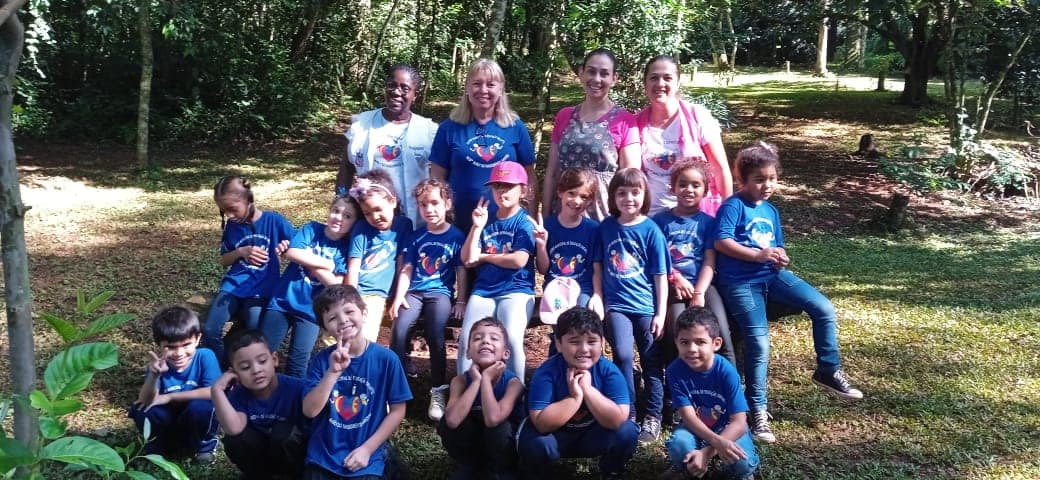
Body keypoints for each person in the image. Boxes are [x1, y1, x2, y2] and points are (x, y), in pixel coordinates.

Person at [714, 142, 863, 444]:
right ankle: (757, 410)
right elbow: (721, 241)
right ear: (743, 179)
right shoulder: (733, 206)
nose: (767, 185)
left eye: (772, 178)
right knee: (759, 343)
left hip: (773, 276)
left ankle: (828, 369)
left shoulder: (770, 210)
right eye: (759, 179)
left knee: (823, 308)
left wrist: (780, 255)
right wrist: (757, 255)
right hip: (741, 283)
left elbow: (776, 244)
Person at [302, 284, 412, 479]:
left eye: (349, 311)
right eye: (332, 318)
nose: (343, 320)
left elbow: (398, 410)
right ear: (325, 330)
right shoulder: (321, 361)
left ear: (364, 313)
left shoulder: (387, 359)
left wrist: (368, 449)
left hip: (366, 456)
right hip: (323, 456)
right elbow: (309, 411)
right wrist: (332, 373)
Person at [516, 307, 639, 480]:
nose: (584, 349)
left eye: (592, 341)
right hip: (556, 437)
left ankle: (612, 470)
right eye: (574, 342)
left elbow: (618, 419)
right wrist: (574, 398)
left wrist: (588, 390)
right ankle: (537, 473)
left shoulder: (609, 371)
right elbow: (541, 424)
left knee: (627, 431)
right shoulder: (546, 372)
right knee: (535, 442)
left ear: (602, 343)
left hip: (593, 436)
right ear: (559, 344)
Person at [599, 168, 669, 444]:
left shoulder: (651, 230)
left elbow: (660, 276)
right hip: (616, 306)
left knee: (651, 361)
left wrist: (661, 313)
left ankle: (653, 414)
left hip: (645, 308)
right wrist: (599, 299)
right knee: (624, 357)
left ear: (644, 195)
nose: (629, 198)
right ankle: (627, 412)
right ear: (613, 196)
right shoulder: (606, 228)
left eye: (635, 192)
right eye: (622, 193)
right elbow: (597, 267)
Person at [389, 178, 468, 421]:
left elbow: (461, 270)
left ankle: (438, 389)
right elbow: (407, 269)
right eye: (423, 204)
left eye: (434, 203)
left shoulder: (456, 235)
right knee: (399, 330)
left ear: (447, 204)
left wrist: (461, 300)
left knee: (435, 334)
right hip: (414, 292)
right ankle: (396, 390)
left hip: (440, 294)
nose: (429, 209)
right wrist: (398, 297)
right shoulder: (416, 236)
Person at [430, 58, 537, 233]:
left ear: (501, 89)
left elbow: (529, 177)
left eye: (491, 84)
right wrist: (443, 214)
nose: (483, 90)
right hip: (459, 222)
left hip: (506, 225)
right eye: (477, 84)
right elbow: (437, 176)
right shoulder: (448, 128)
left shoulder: (516, 128)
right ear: (467, 88)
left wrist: (531, 220)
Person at [260, 194, 359, 377]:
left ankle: (295, 395)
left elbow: (334, 284)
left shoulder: (345, 249)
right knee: (262, 351)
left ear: (354, 223)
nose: (339, 217)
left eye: (347, 216)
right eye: (336, 211)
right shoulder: (312, 229)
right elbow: (292, 253)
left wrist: (309, 261)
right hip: (282, 301)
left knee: (298, 362)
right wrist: (328, 264)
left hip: (311, 312)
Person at [203, 175, 295, 365]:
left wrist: (287, 246)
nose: (229, 216)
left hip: (262, 290)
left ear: (248, 200)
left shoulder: (274, 221)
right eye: (224, 211)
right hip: (232, 288)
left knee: (254, 331)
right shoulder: (232, 226)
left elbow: (299, 243)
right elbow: (223, 260)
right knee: (210, 330)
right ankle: (220, 370)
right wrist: (241, 252)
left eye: (232, 209)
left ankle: (241, 368)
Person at [651, 160, 735, 366]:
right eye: (683, 184)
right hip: (672, 287)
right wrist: (675, 278)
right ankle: (675, 384)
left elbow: (709, 260)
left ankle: (730, 381)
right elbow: (656, 259)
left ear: (705, 191)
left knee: (720, 331)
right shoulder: (659, 221)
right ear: (673, 187)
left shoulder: (708, 222)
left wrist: (699, 293)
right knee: (675, 331)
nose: (689, 189)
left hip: (703, 286)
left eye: (696, 185)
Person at [541, 48, 640, 221]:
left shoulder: (625, 120)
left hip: (604, 219)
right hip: (563, 217)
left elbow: (630, 179)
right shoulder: (564, 115)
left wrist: (625, 223)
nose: (597, 79)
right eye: (591, 71)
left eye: (604, 74)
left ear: (614, 78)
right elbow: (552, 172)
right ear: (581, 73)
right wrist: (545, 215)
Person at [458, 161, 536, 380]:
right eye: (497, 186)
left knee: (511, 339)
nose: (502, 191)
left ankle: (515, 393)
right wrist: (476, 227)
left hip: (516, 291)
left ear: (523, 190)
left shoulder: (524, 222)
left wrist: (484, 257)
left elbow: (519, 260)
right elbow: (467, 259)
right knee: (467, 340)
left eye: (509, 186)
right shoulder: (487, 220)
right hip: (484, 291)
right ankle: (466, 392)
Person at [337, 64, 438, 227]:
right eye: (392, 85)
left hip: (415, 222)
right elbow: (347, 167)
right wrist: (341, 200)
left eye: (405, 88)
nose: (396, 92)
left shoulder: (429, 131)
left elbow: (439, 177)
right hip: (370, 219)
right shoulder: (362, 124)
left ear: (415, 95)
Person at [665, 307, 759, 480]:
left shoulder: (726, 371)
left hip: (727, 428)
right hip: (696, 428)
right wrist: (716, 443)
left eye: (700, 342)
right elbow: (688, 417)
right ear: (676, 342)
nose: (692, 349)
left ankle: (716, 466)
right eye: (684, 342)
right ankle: (694, 468)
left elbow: (739, 423)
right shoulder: (674, 371)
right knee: (679, 446)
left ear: (716, 343)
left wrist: (707, 452)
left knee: (743, 463)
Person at [637, 55, 733, 217]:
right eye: (654, 78)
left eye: (667, 78)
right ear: (645, 83)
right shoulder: (636, 123)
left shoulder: (697, 116)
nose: (660, 83)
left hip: (696, 218)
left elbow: (720, 168)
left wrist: (728, 215)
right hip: (651, 219)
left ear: (678, 82)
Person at [211, 329, 310, 479]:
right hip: (262, 457)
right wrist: (217, 390)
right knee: (237, 440)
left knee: (285, 434)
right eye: (245, 367)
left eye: (262, 361)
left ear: (274, 359)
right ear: (234, 373)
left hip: (292, 458)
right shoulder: (239, 394)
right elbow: (234, 429)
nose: (256, 370)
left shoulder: (297, 388)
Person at [129, 306, 220, 464]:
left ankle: (203, 447)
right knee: (141, 408)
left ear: (198, 338)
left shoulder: (205, 356)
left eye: (186, 345)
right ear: (159, 344)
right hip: (168, 420)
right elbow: (145, 400)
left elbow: (214, 391)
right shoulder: (158, 365)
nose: (179, 353)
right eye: (170, 347)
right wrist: (154, 376)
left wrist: (170, 396)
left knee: (203, 406)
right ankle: (157, 447)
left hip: (194, 418)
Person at [437, 317, 525, 479]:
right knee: (446, 423)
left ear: (506, 353)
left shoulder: (513, 384)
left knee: (500, 429)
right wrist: (477, 381)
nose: (485, 341)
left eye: (494, 338)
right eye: (478, 338)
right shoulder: (459, 381)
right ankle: (469, 464)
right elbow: (453, 421)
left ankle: (499, 469)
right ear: (468, 352)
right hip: (473, 442)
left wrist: (486, 379)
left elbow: (493, 419)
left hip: (503, 446)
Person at [346, 169, 414, 343]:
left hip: (377, 294)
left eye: (378, 209)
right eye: (367, 213)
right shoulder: (361, 228)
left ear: (392, 201)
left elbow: (402, 262)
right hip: (356, 290)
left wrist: (398, 294)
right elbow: (353, 268)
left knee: (363, 338)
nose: (374, 217)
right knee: (340, 334)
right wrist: (352, 298)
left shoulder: (403, 225)